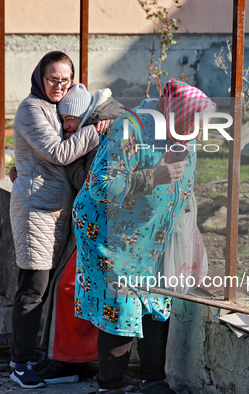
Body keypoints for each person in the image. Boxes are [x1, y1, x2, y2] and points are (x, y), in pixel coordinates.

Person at [72, 79, 216, 394]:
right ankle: (109, 385)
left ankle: (154, 380)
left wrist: (189, 235)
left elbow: (185, 190)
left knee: (158, 301)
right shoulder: (129, 129)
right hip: (110, 235)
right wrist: (152, 177)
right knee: (122, 303)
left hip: (154, 236)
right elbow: (101, 187)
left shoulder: (184, 133)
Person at [9, 51, 105, 389]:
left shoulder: (59, 107)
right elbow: (58, 153)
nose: (59, 86)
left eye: (65, 80)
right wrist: (94, 130)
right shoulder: (31, 109)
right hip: (36, 213)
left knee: (46, 290)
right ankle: (20, 363)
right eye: (53, 79)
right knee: (32, 290)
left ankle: (42, 357)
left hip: (56, 215)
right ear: (40, 78)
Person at [37, 83, 124, 379]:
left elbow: (91, 181)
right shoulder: (95, 126)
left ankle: (73, 361)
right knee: (71, 286)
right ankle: (67, 357)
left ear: (82, 114)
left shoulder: (104, 128)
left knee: (70, 286)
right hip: (94, 227)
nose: (65, 126)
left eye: (68, 119)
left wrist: (74, 154)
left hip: (106, 228)